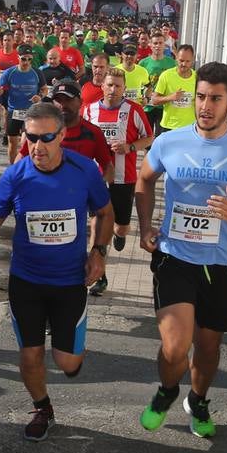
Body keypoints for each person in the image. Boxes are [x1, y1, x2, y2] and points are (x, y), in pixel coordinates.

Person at [136, 63, 227, 438]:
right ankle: (166, 391)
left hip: (220, 264)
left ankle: (197, 399)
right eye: (200, 97)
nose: (205, 106)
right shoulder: (169, 142)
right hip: (174, 257)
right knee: (175, 346)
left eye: (215, 98)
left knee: (209, 347)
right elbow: (144, 180)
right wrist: (146, 226)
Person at [0, 102, 114, 440]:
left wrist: (98, 252)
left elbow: (105, 212)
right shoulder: (16, 175)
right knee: (30, 354)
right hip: (27, 281)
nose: (37, 146)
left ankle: (69, 343)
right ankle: (42, 408)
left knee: (68, 364)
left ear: (62, 135)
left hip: (70, 280)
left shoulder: (84, 171)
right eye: (31, 137)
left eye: (46, 138)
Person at [84, 69, 153, 295]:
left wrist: (129, 147)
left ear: (124, 89)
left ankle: (119, 233)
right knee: (97, 222)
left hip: (123, 177)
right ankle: (99, 275)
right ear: (102, 86)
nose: (113, 90)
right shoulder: (90, 109)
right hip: (96, 176)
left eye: (118, 86)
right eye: (110, 85)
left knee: (121, 225)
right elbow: (83, 137)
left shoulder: (133, 110)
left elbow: (149, 138)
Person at [0, 44, 43, 164]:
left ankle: (26, 167)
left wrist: (39, 96)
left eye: (30, 59)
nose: (27, 62)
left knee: (26, 142)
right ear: (18, 58)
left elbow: (44, 88)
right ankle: (13, 168)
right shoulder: (10, 72)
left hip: (30, 112)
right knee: (12, 142)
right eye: (24, 59)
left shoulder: (37, 72)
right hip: (13, 111)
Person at [150, 44, 197, 135]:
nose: (184, 64)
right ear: (176, 58)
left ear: (192, 60)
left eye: (188, 61)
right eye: (181, 60)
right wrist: (170, 97)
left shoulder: (198, 78)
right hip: (169, 126)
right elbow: (154, 100)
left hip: (190, 127)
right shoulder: (166, 75)